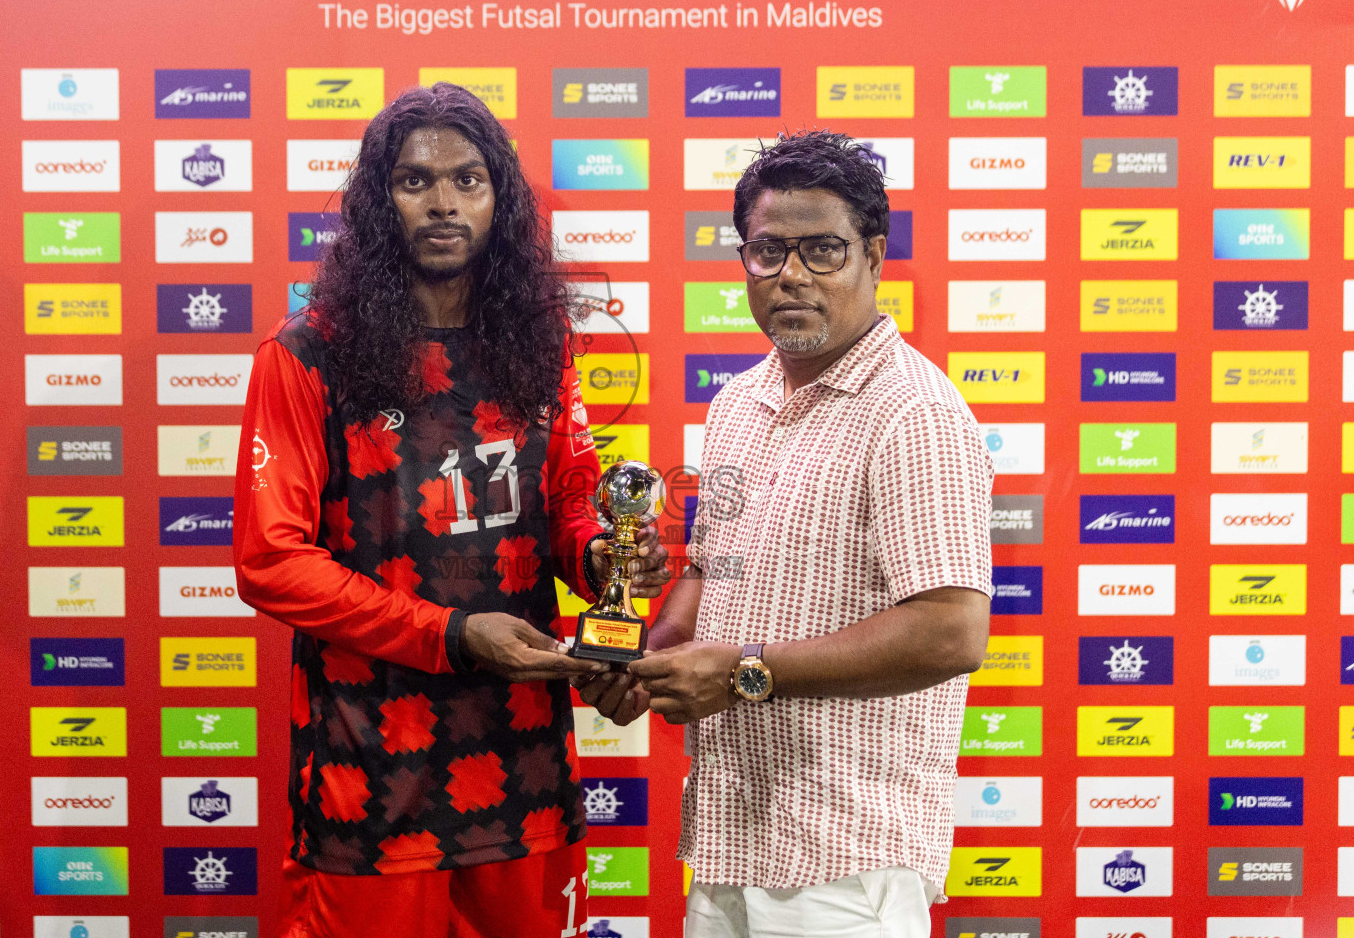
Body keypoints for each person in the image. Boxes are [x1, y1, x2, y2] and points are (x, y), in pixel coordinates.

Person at [233, 82, 671, 938]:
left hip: (521, 770)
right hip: (368, 774)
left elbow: (570, 502)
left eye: (468, 179)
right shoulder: (305, 357)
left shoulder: (540, 345)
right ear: (376, 201)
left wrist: (605, 561)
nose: (443, 202)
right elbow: (271, 561)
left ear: (500, 200)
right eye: (414, 181)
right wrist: (452, 634)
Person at [580, 130, 994, 938]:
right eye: (769, 251)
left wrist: (739, 674)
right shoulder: (739, 403)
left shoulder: (916, 414)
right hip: (731, 839)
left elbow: (952, 631)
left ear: (873, 256)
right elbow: (711, 571)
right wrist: (643, 660)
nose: (792, 275)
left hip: (845, 865)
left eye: (822, 250)